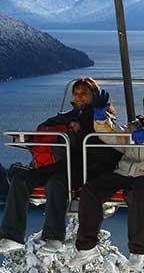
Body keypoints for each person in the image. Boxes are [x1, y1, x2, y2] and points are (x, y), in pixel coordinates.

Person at [0, 77, 118, 254]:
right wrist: (32, 139)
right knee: (21, 179)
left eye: (84, 94)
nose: (79, 97)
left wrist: (81, 128)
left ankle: (54, 237)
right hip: (64, 164)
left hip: (89, 167)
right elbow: (48, 126)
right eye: (76, 94)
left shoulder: (102, 117)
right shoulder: (69, 116)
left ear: (93, 95)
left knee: (56, 183)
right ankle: (12, 235)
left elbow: (106, 140)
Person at [70, 90, 144, 270]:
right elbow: (112, 135)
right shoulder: (134, 128)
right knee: (91, 190)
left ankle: (137, 252)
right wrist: (100, 118)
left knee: (137, 195)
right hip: (124, 171)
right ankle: (86, 247)